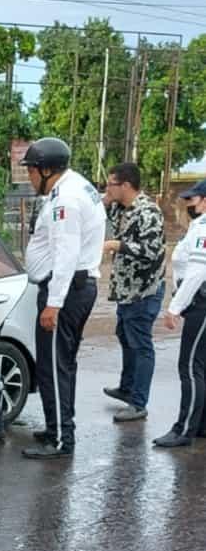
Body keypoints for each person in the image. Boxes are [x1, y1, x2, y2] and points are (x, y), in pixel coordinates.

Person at [19, 138, 106, 460]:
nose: (28, 177)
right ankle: (57, 426)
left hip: (66, 292)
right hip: (76, 288)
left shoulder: (64, 200)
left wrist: (53, 303)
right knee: (61, 365)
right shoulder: (77, 186)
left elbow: (66, 253)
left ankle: (59, 438)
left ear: (46, 169)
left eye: (30, 171)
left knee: (53, 367)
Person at [101, 162, 166, 422]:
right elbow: (105, 211)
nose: (107, 189)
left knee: (141, 345)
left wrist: (118, 245)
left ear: (126, 185)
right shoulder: (122, 208)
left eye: (111, 184)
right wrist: (106, 199)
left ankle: (138, 403)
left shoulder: (148, 212)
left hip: (144, 291)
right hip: (127, 290)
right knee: (125, 335)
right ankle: (127, 388)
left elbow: (151, 253)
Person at [154, 178, 206, 447]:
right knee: (201, 367)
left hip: (201, 304)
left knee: (190, 366)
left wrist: (174, 308)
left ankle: (184, 429)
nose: (188, 203)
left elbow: (198, 273)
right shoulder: (198, 226)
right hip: (197, 302)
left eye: (193, 199)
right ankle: (199, 425)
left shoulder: (203, 228)